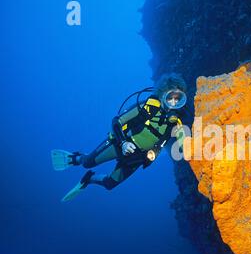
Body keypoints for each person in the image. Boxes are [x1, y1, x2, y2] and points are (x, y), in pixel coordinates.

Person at [51, 73, 187, 202]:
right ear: (163, 93)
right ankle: (78, 158)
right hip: (119, 143)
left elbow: (184, 145)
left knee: (110, 184)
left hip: (137, 158)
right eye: (170, 97)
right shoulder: (147, 107)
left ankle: (90, 179)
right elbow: (117, 121)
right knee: (88, 163)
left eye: (177, 99)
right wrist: (123, 144)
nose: (173, 103)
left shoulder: (175, 122)